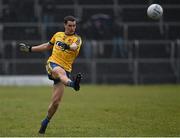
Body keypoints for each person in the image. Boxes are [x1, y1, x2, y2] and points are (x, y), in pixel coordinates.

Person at [19, 15, 82, 134]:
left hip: (66, 70)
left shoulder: (77, 39)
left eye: (74, 25)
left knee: (56, 103)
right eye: (69, 25)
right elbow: (47, 46)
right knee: (60, 72)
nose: (72, 28)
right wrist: (30, 49)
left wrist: (67, 46)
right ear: (65, 25)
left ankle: (45, 122)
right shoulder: (57, 35)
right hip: (52, 64)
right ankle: (73, 84)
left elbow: (74, 47)